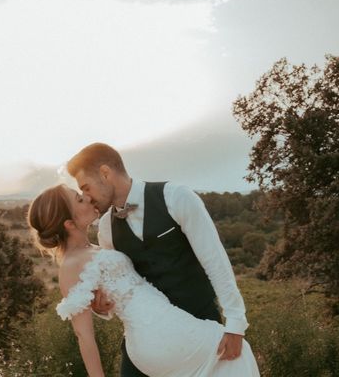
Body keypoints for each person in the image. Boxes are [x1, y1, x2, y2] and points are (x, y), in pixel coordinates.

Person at [27, 184, 260, 377]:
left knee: (231, 359)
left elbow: (113, 291)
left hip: (164, 326)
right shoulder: (70, 265)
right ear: (69, 223)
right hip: (154, 334)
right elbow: (83, 335)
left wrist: (103, 305)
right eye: (79, 200)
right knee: (237, 355)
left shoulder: (95, 247)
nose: (87, 198)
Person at [66, 142, 250, 376]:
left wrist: (236, 324)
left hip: (198, 327)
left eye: (86, 187)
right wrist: (103, 308)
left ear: (105, 173)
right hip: (145, 341)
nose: (87, 197)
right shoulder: (106, 228)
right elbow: (119, 283)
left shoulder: (176, 197)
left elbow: (215, 261)